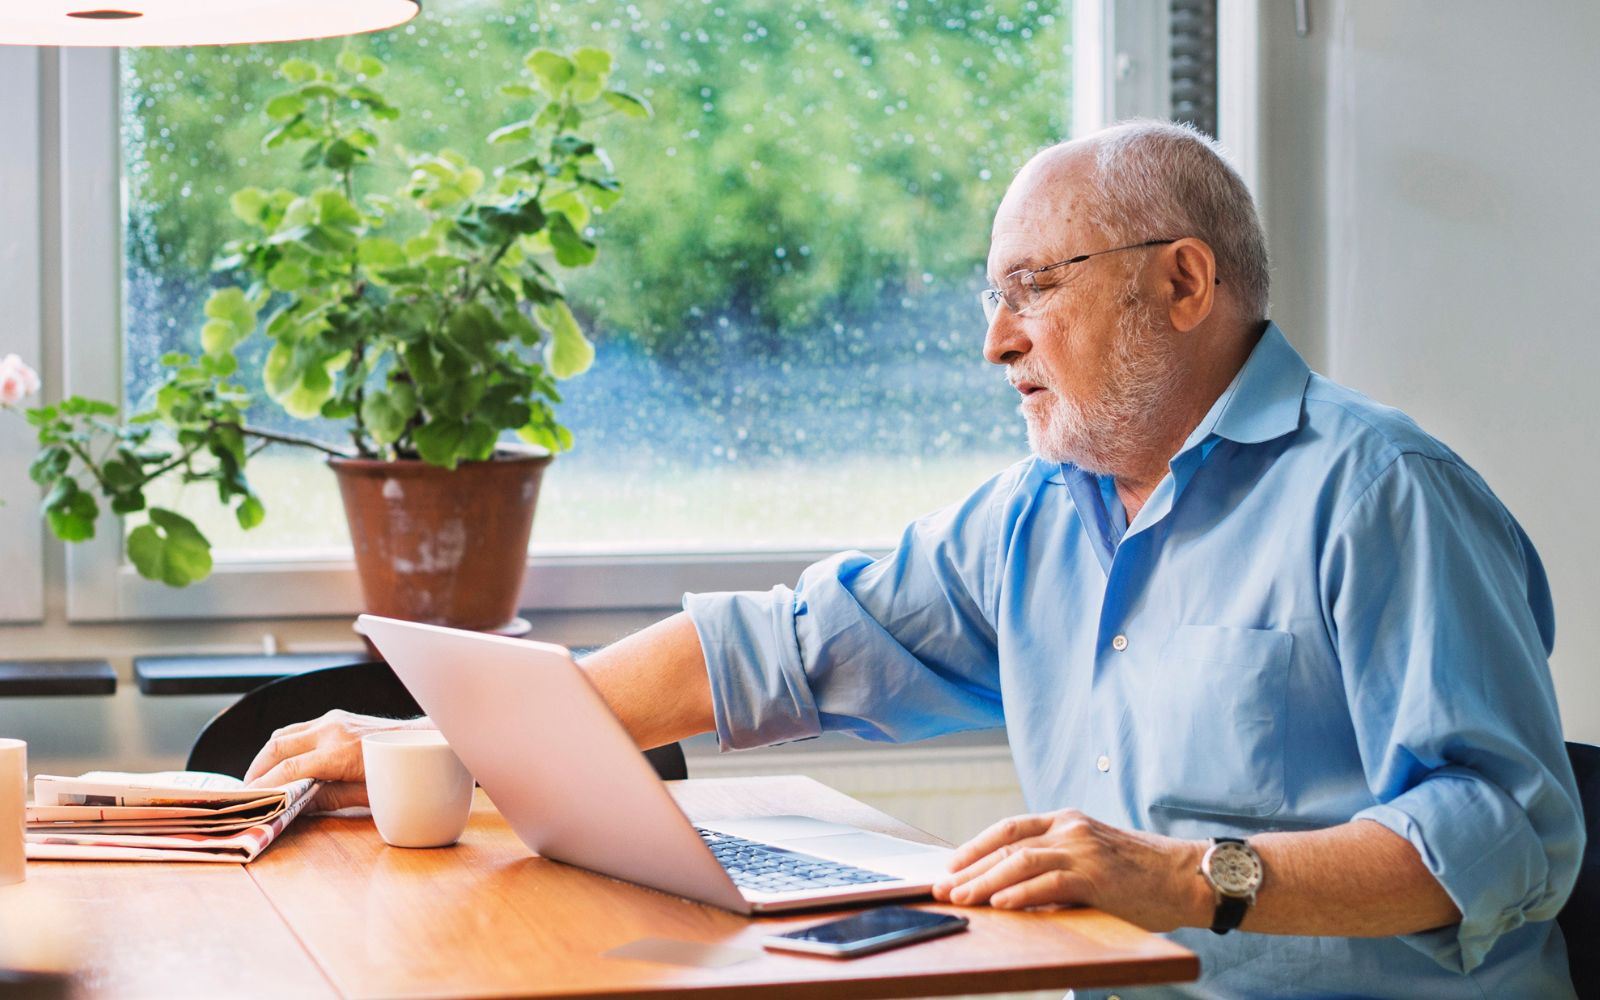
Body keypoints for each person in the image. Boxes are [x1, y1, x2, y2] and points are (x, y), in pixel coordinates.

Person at [244, 120, 1584, 998]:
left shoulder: (1382, 493)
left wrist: (1188, 882)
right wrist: (446, 743)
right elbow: (773, 647)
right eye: (987, 296)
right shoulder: (1039, 513)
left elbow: (1507, 832)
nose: (994, 342)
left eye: (1033, 290)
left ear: (1183, 283)